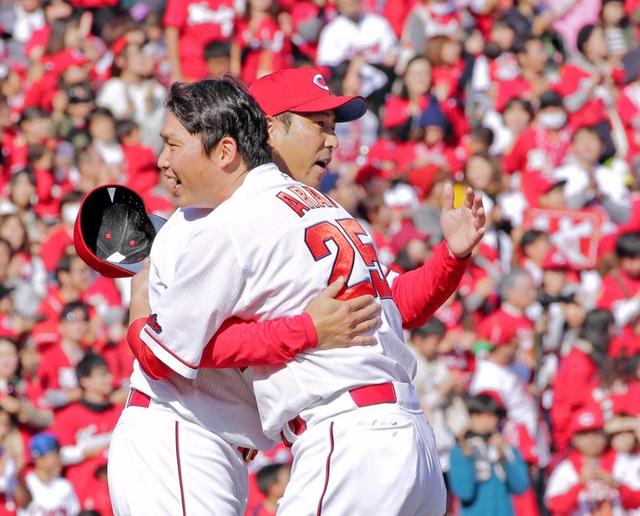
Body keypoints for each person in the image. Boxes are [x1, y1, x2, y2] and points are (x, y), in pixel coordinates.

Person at [115, 78, 485, 515]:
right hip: (185, 433)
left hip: (350, 436)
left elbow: (388, 306)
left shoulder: (288, 211)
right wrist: (306, 330)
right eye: (319, 124)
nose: (333, 140)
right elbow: (171, 354)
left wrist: (450, 258)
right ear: (268, 129)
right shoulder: (221, 218)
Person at [448, 393, 530, 516]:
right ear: (470, 417)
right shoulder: (461, 450)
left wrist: (504, 457)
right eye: (480, 415)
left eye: (493, 415)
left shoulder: (506, 448)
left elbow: (521, 486)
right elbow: (464, 492)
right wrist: (468, 459)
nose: (489, 420)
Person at [22, 432, 80, 516]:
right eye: (55, 456)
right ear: (39, 459)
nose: (59, 460)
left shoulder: (65, 486)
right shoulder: (26, 485)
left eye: (59, 455)